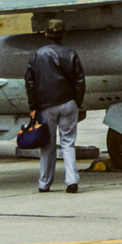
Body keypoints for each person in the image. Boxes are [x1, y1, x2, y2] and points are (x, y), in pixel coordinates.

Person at [25, 19, 86, 192]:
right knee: (68, 143)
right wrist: (77, 102)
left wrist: (33, 106)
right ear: (63, 34)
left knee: (48, 146)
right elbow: (80, 80)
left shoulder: (37, 54)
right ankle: (72, 181)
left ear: (46, 34)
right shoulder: (71, 53)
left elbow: (30, 82)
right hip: (68, 104)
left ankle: (44, 184)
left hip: (46, 106)